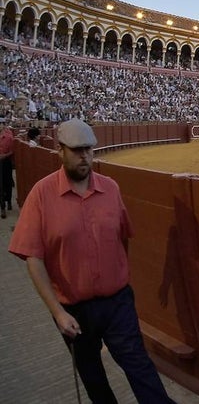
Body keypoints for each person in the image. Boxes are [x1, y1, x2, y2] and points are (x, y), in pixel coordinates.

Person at [8, 119, 175, 403]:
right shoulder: (41, 194)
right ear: (61, 151)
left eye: (88, 149)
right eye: (76, 150)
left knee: (139, 366)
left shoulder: (111, 188)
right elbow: (33, 258)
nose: (83, 156)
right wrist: (58, 312)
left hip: (117, 302)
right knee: (93, 376)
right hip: (73, 309)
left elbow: (122, 239)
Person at [0, 124, 13, 218]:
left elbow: (13, 151)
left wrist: (5, 155)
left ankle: (8, 201)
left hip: (6, 162)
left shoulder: (9, 136)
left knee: (7, 182)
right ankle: (2, 207)